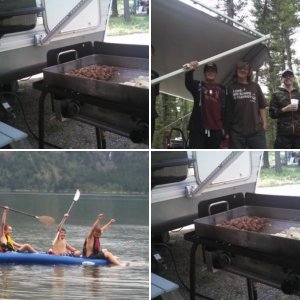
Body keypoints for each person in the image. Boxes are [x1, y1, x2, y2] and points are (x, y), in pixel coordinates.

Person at [184, 61, 228, 148]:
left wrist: (225, 129)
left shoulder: (222, 89)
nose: (210, 73)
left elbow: (227, 111)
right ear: (204, 73)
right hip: (198, 129)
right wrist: (190, 70)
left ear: (216, 73)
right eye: (208, 71)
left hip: (216, 130)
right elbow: (188, 83)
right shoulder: (198, 86)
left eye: (212, 71)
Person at [227, 60, 267, 148]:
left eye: (245, 69)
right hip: (236, 132)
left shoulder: (255, 87)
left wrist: (264, 125)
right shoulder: (230, 88)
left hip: (256, 131)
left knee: (261, 156)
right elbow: (228, 110)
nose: (242, 70)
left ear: (248, 72)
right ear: (236, 70)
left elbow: (262, 106)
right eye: (240, 68)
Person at [269, 69, 300, 148]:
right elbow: (272, 114)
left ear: (293, 78)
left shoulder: (298, 94)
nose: (288, 78)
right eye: (285, 76)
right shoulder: (276, 95)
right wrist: (284, 109)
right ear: (282, 79)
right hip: (283, 135)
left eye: (290, 76)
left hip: (298, 134)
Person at [151, 45, 160, 142]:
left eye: (151, 52)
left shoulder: (156, 75)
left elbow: (156, 95)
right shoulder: (139, 70)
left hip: (151, 112)